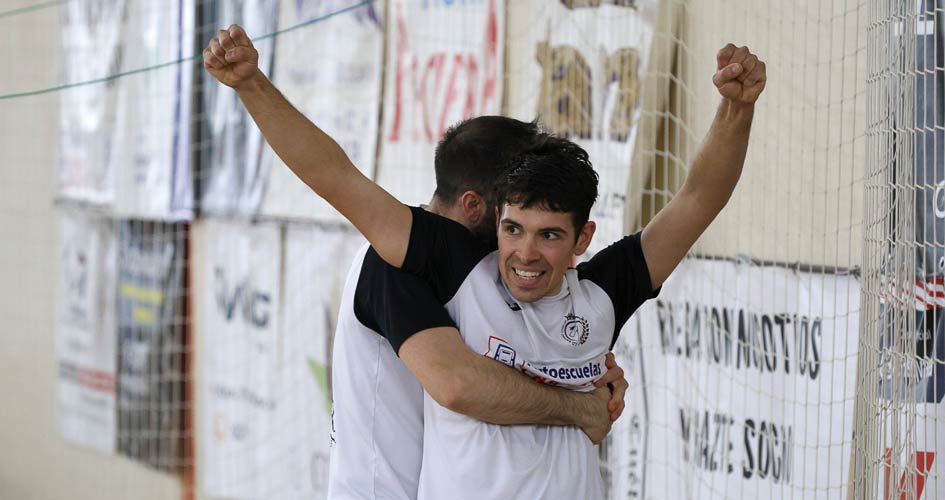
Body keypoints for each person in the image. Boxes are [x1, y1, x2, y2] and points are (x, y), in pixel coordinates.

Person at [205, 24, 766, 498]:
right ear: (491, 215)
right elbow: (337, 178)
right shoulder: (452, 272)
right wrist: (252, 85)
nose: (524, 251)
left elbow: (695, 203)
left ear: (582, 240)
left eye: (549, 234)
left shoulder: (596, 298)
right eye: (512, 226)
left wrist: (737, 109)